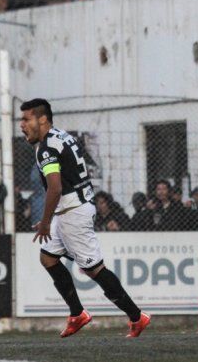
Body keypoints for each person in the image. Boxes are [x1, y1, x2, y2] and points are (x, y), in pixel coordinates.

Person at [19, 98, 150, 338]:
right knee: (47, 258)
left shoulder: (46, 149)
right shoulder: (61, 136)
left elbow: (55, 188)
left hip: (73, 214)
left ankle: (136, 317)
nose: (22, 124)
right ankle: (77, 313)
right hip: (69, 209)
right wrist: (51, 217)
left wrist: (46, 221)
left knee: (94, 270)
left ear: (42, 119)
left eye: (26, 119)